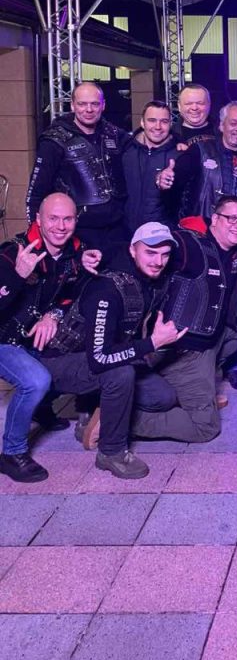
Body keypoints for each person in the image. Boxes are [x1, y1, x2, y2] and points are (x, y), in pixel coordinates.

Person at [40, 223, 187, 479]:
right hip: (58, 362)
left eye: (165, 255)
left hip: (96, 357)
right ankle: (111, 451)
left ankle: (95, 409)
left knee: (162, 397)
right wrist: (152, 343)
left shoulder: (148, 282)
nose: (158, 262)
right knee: (120, 374)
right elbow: (99, 359)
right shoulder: (108, 290)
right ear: (132, 250)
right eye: (150, 253)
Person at [130, 197, 237, 444]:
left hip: (214, 337)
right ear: (214, 219)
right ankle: (120, 418)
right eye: (231, 218)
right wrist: (96, 256)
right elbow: (146, 250)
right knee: (205, 428)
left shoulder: (236, 255)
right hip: (186, 348)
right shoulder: (190, 245)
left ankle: (199, 389)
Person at [0, 194, 100, 482]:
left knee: (75, 356)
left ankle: (41, 408)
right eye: (53, 219)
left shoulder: (74, 252)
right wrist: (17, 277)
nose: (60, 226)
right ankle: (12, 454)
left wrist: (53, 315)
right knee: (35, 380)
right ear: (38, 220)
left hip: (32, 338)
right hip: (4, 340)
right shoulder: (13, 253)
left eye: (67, 219)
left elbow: (71, 293)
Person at [26, 82, 130, 250]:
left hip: (116, 229)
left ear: (103, 105)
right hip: (76, 233)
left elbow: (142, 145)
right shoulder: (54, 141)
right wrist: (35, 237)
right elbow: (36, 193)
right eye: (82, 104)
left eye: (94, 104)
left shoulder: (114, 134)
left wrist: (173, 142)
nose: (89, 110)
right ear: (73, 105)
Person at [157, 101, 237, 219]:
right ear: (222, 125)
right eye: (233, 123)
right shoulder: (200, 150)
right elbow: (173, 187)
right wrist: (164, 179)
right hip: (202, 227)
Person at [123, 100, 177, 233]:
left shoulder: (180, 155)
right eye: (152, 120)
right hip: (124, 233)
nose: (158, 127)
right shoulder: (125, 149)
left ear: (170, 124)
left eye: (164, 121)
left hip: (162, 234)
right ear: (142, 122)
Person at [174, 84, 215, 149]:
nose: (194, 108)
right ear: (179, 106)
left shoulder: (223, 131)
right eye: (188, 103)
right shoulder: (171, 136)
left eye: (200, 103)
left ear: (209, 104)